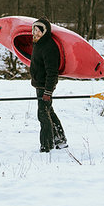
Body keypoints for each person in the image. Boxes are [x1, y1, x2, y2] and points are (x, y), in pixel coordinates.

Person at [30, 17, 68, 153]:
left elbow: (52, 72)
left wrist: (48, 92)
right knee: (48, 112)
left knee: (43, 115)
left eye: (38, 30)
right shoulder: (38, 44)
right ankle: (60, 140)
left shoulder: (49, 47)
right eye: (34, 30)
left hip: (44, 86)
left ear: (45, 32)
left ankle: (47, 145)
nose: (35, 33)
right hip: (39, 85)